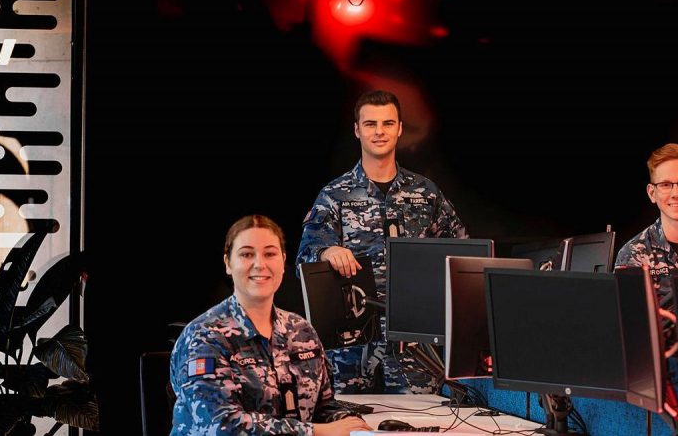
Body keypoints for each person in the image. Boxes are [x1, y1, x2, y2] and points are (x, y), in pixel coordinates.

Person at [296, 90, 467, 394]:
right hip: (351, 347)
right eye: (371, 124)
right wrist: (328, 250)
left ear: (400, 128)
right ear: (357, 130)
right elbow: (304, 261)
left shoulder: (426, 194)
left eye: (387, 123)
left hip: (415, 345)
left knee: (419, 425)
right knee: (351, 423)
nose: (379, 132)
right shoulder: (336, 194)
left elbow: (464, 257)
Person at [170, 214, 372, 436]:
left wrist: (353, 425)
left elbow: (323, 407)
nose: (260, 264)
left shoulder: (302, 331)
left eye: (270, 253)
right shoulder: (204, 337)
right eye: (247, 254)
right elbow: (223, 426)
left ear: (283, 261)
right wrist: (318, 432)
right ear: (228, 263)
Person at [614, 143, 678, 436]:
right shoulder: (634, 253)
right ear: (652, 194)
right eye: (666, 184)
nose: (676, 192)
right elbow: (630, 332)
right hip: (664, 360)